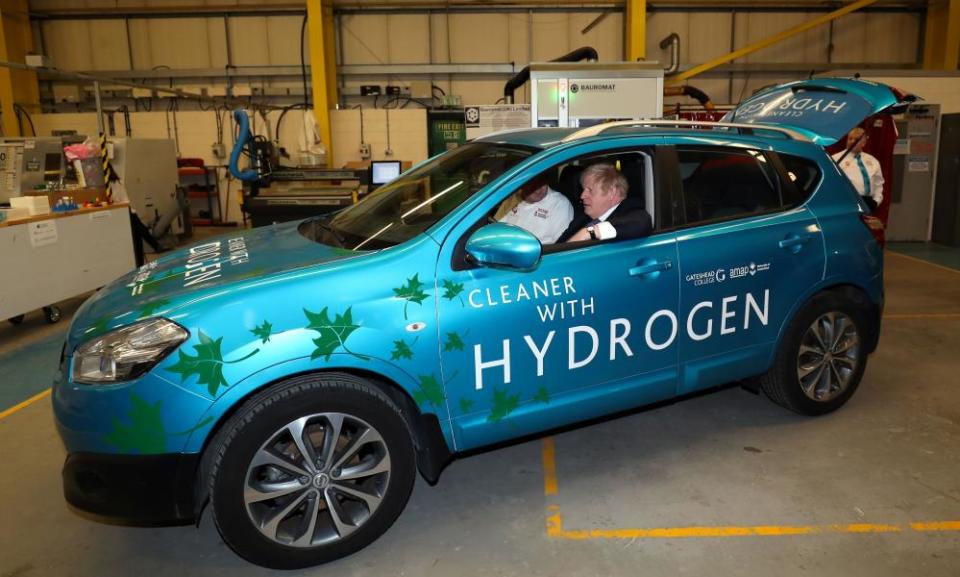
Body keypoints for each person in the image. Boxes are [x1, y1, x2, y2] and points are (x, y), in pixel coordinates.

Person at [557, 163, 652, 243]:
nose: (582, 196)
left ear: (611, 193)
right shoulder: (581, 218)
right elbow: (557, 248)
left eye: (590, 190)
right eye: (583, 190)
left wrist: (589, 233)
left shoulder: (631, 211)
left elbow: (641, 222)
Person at [497, 174, 574, 245]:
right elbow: (497, 228)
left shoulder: (559, 203)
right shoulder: (511, 198)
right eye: (533, 186)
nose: (538, 191)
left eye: (542, 185)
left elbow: (562, 244)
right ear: (521, 185)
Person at [832, 127, 884, 210]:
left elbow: (878, 184)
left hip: (868, 202)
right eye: (850, 139)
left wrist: (876, 201)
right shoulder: (836, 159)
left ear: (864, 143)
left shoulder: (873, 161)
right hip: (846, 202)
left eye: (856, 139)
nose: (852, 141)